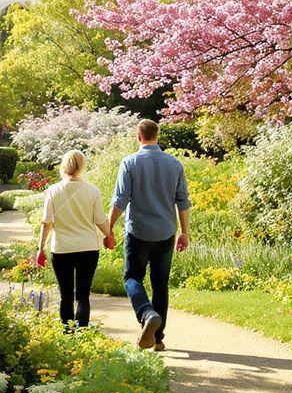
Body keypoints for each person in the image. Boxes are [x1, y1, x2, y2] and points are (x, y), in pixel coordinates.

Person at [105, 119, 190, 351]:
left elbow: (120, 200)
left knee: (132, 277)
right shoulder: (174, 164)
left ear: (138, 136)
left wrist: (109, 228)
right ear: (157, 135)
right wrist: (185, 232)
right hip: (165, 232)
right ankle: (158, 338)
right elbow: (182, 202)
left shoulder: (130, 162)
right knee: (160, 284)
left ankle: (146, 313)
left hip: (138, 232)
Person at [36, 149, 111, 328]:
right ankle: (82, 333)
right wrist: (109, 235)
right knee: (83, 296)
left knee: (66, 295)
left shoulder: (53, 191)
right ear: (82, 167)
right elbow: (100, 220)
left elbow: (46, 222)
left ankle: (67, 334)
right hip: (88, 248)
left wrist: (41, 248)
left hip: (62, 249)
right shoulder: (92, 191)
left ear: (63, 166)